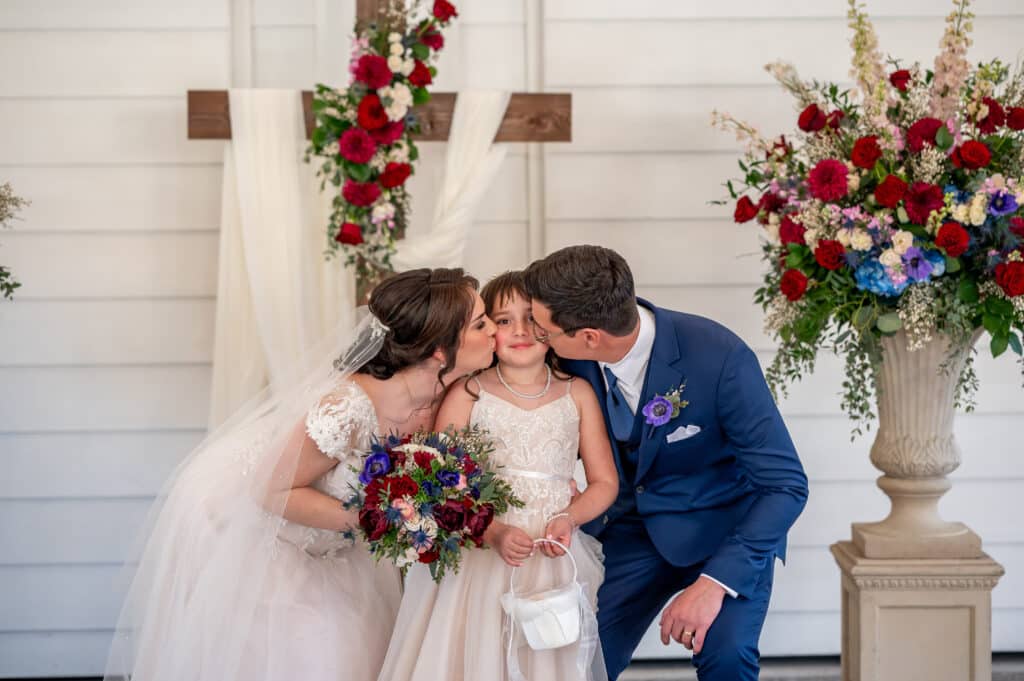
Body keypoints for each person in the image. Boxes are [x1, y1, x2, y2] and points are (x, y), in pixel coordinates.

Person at [104, 268, 497, 681]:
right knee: (316, 652)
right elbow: (272, 490)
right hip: (263, 531)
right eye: (481, 323)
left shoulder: (447, 392)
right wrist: (377, 521)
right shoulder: (347, 409)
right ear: (439, 349)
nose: (494, 332)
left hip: (338, 540)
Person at [523, 246, 809, 681]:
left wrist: (714, 583)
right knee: (575, 652)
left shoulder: (719, 357)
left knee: (727, 655)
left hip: (723, 531)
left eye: (544, 331)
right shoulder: (570, 354)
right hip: (630, 531)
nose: (536, 338)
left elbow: (785, 486)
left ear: (589, 337)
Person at [377, 270, 618, 681]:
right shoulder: (469, 393)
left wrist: (570, 517)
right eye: (503, 321)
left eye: (531, 319)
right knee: (475, 650)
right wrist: (491, 531)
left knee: (543, 658)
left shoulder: (577, 392)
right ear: (487, 331)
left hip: (550, 553)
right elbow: (438, 484)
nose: (520, 330)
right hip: (480, 555)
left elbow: (604, 482)